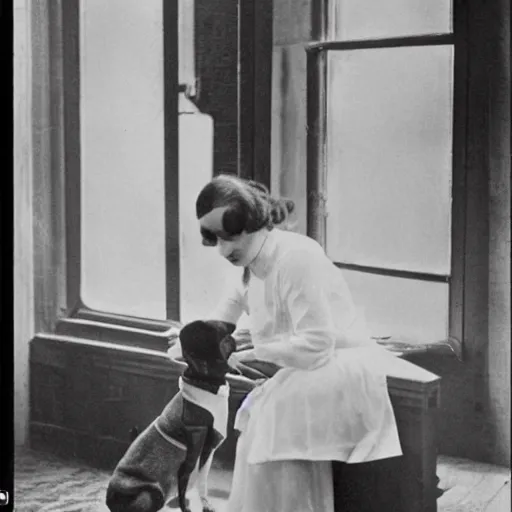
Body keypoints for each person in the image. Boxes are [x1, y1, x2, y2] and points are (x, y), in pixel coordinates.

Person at [183, 174, 403, 512]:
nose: (224, 250)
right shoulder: (247, 266)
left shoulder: (297, 257)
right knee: (260, 424)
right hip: (300, 369)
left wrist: (254, 352)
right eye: (216, 240)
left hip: (341, 365)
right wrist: (190, 339)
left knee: (275, 423)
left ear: (254, 223)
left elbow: (317, 344)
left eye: (231, 237)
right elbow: (221, 319)